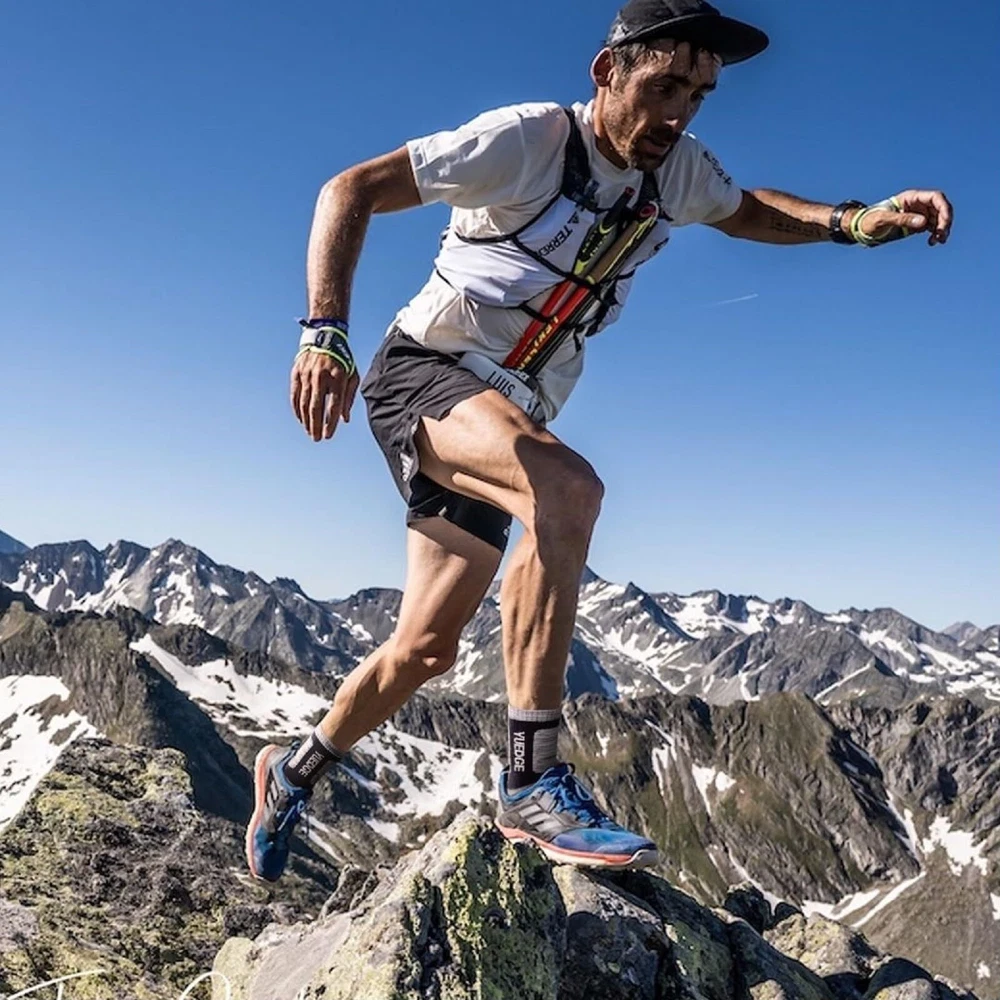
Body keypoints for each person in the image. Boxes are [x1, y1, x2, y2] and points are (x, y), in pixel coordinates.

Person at [245, 0, 953, 882]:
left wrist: (853, 222)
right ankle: (531, 780)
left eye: (698, 95)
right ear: (607, 71)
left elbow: (747, 210)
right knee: (567, 490)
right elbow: (348, 189)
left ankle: (292, 771)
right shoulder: (528, 140)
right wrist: (323, 331)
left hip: (508, 413)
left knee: (425, 648)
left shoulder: (678, 171)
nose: (678, 114)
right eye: (664, 86)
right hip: (426, 370)